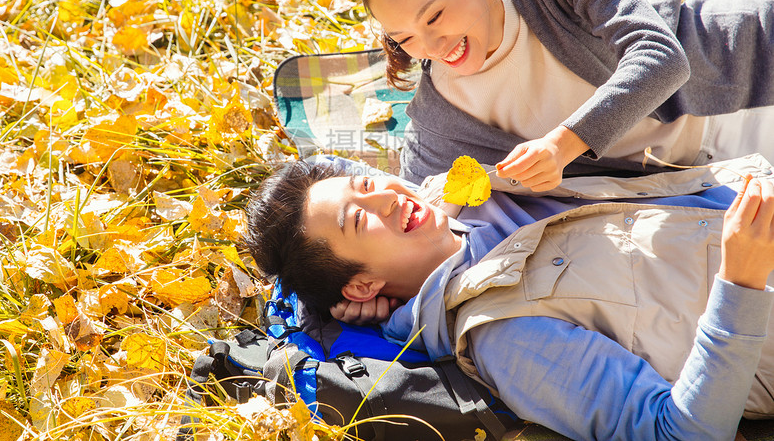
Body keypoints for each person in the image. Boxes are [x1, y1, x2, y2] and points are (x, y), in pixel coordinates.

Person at [242, 155, 774, 440]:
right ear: (360, 286)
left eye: (364, 186)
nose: (387, 195)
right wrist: (740, 284)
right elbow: (681, 433)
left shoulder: (463, 191)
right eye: (360, 219)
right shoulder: (504, 335)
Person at [352, 0, 774, 189]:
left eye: (434, 16)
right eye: (404, 38)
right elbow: (417, 204)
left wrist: (564, 144)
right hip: (702, 183)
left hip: (746, 78)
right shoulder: (443, 122)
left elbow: (660, 57)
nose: (431, 47)